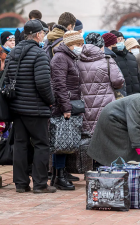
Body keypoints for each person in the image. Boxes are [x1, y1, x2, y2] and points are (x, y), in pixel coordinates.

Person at [4, 20, 55, 194]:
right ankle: (40, 184)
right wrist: (51, 100)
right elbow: (43, 83)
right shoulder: (39, 54)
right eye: (43, 33)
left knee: (20, 144)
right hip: (36, 108)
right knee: (41, 144)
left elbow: (9, 78)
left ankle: (20, 183)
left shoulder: (12, 53)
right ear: (38, 34)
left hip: (16, 107)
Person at [87, 93, 140, 166]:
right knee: (133, 151)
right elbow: (134, 129)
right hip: (113, 119)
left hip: (127, 123)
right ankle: (118, 172)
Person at [50, 31, 84, 190]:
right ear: (70, 44)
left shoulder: (69, 57)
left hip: (67, 104)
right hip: (62, 106)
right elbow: (59, 85)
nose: (81, 47)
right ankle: (59, 176)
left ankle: (59, 175)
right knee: (61, 142)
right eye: (79, 44)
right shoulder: (61, 58)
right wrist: (66, 108)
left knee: (63, 141)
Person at [78, 43, 124, 135]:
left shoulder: (77, 61)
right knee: (106, 133)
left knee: (86, 134)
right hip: (105, 103)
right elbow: (118, 81)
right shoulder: (107, 60)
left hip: (83, 104)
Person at [102, 32, 127, 97]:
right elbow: (117, 80)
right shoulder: (108, 58)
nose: (116, 46)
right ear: (110, 45)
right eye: (115, 43)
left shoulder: (111, 57)